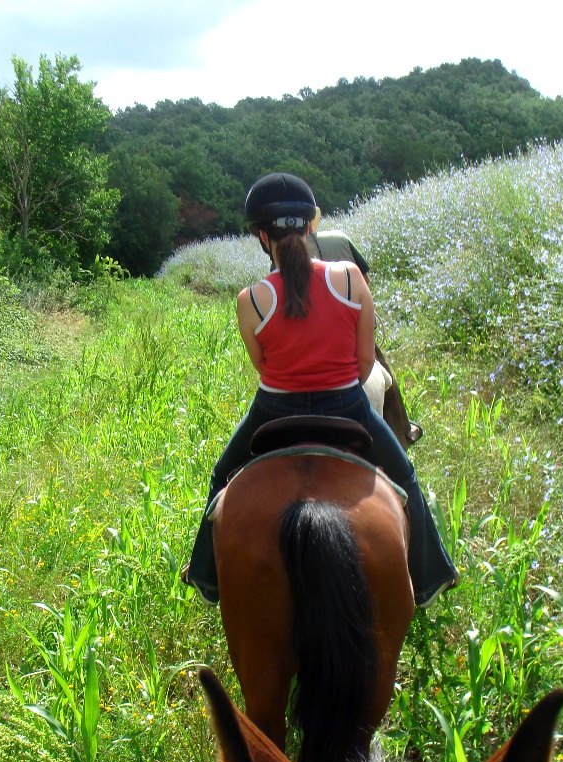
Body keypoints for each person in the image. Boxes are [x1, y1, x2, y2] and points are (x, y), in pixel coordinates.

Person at [181, 172, 458, 608]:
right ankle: (427, 582)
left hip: (274, 409)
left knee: (221, 476)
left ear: (260, 235)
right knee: (405, 477)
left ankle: (207, 581)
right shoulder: (349, 278)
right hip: (347, 403)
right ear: (312, 226)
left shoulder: (249, 299)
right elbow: (366, 363)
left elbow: (263, 365)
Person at [307, 214, 423, 450]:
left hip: (311, 342)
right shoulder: (339, 238)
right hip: (351, 329)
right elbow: (365, 282)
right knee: (384, 375)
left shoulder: (282, 257)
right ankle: (403, 430)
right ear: (312, 221)